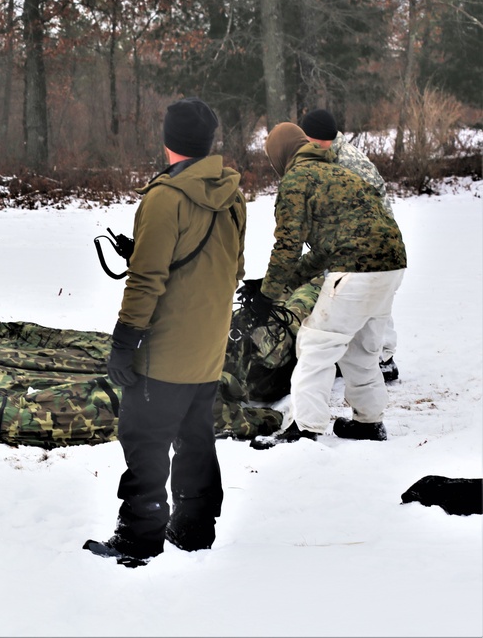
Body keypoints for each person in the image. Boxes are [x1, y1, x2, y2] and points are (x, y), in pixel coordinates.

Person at [83, 97, 246, 567]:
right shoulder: (233, 195)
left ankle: (138, 536)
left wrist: (124, 339)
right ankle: (194, 529)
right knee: (195, 436)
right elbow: (230, 268)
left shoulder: (164, 197)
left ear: (168, 141)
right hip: (208, 349)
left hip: (164, 351)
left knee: (144, 437)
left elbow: (146, 280)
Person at [253, 122, 406, 448]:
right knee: (360, 349)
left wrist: (266, 294)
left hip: (355, 268)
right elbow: (323, 251)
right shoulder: (338, 170)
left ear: (280, 155)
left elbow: (287, 246)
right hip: (392, 263)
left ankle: (307, 429)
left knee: (314, 345)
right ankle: (369, 422)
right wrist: (285, 282)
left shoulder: (297, 179)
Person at [300, 108, 399, 382]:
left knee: (368, 303)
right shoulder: (340, 154)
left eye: (307, 137)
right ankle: (380, 357)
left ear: (317, 137)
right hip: (371, 240)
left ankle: (381, 358)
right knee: (373, 303)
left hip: (366, 243)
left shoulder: (343, 161)